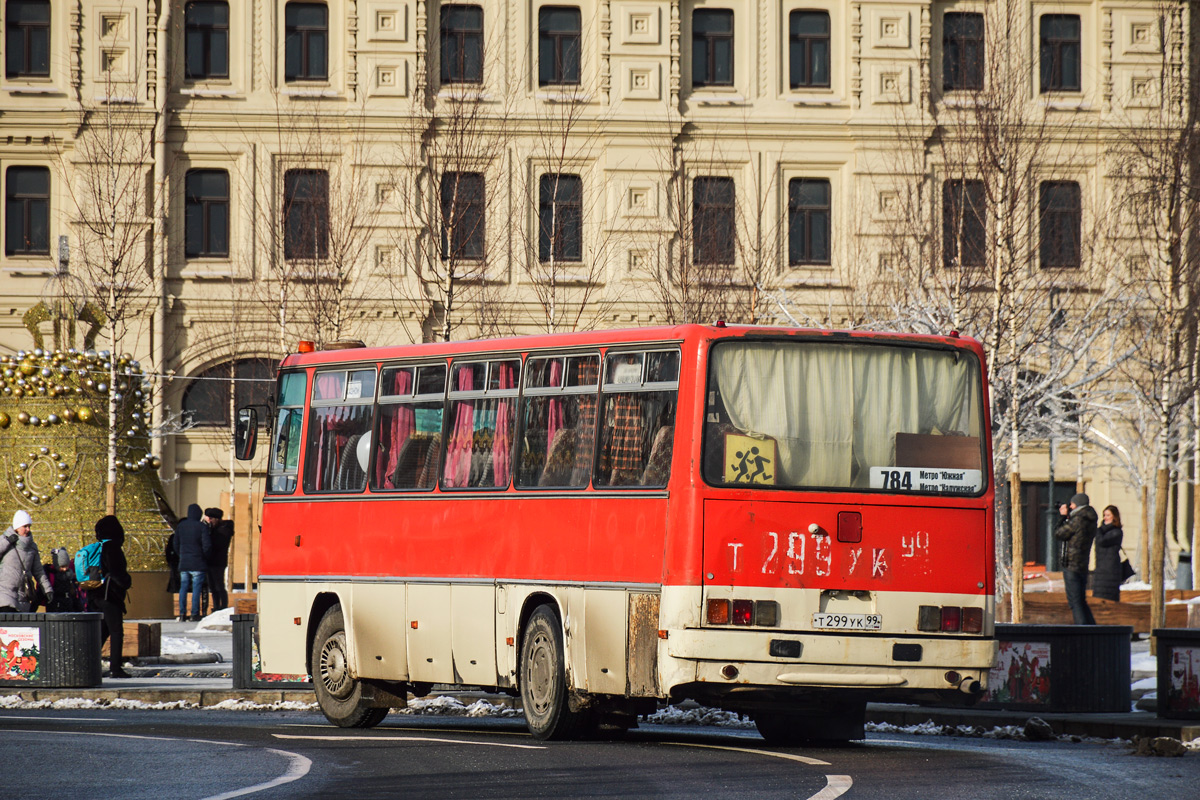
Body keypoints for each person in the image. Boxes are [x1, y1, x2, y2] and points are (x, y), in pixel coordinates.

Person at [88, 515, 133, 678]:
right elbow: (116, 572)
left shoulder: (97, 547)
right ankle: (116, 668)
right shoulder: (112, 548)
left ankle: (88, 663)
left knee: (102, 632)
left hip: (96, 594)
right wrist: (126, 581)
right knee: (116, 631)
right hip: (110, 596)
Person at [1055, 492, 1098, 625]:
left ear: (1078, 505)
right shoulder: (1089, 518)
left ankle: (1083, 632)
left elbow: (1059, 533)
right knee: (1081, 601)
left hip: (1072, 565)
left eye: (1072, 504)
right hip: (1082, 564)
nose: (1070, 506)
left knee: (1075, 602)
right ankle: (1092, 630)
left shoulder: (1078, 519)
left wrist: (1062, 517)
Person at [0, 510, 53, 612]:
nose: (28, 529)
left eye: (29, 526)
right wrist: (7, 541)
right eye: (25, 526)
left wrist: (47, 589)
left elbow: (38, 571)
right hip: (4, 594)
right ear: (17, 527)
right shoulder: (5, 540)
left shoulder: (32, 547)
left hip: (23, 595)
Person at [175, 503, 212, 622]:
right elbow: (207, 545)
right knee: (196, 589)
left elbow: (175, 544)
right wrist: (204, 556)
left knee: (183, 588)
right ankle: (194, 613)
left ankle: (182, 613)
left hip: (184, 562)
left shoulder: (181, 526)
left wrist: (181, 555)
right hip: (198, 562)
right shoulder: (202, 527)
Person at [1092, 505, 1125, 602]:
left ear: (1114, 517)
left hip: (1110, 571)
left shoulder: (1116, 532)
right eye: (1104, 515)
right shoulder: (1102, 531)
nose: (1105, 518)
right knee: (1099, 598)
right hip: (1100, 570)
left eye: (1108, 515)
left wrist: (1097, 530)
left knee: (1109, 597)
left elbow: (1101, 541)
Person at [204, 507, 234, 612]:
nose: (209, 521)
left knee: (218, 585)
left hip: (218, 562)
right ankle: (217, 606)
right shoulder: (215, 529)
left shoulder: (224, 529)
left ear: (217, 519)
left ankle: (223, 606)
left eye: (211, 518)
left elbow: (218, 544)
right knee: (212, 586)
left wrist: (210, 532)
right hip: (210, 561)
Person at [44, 547, 83, 612]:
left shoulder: (69, 575)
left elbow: (73, 596)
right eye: (62, 567)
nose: (65, 569)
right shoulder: (51, 575)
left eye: (66, 566)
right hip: (55, 606)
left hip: (68, 605)